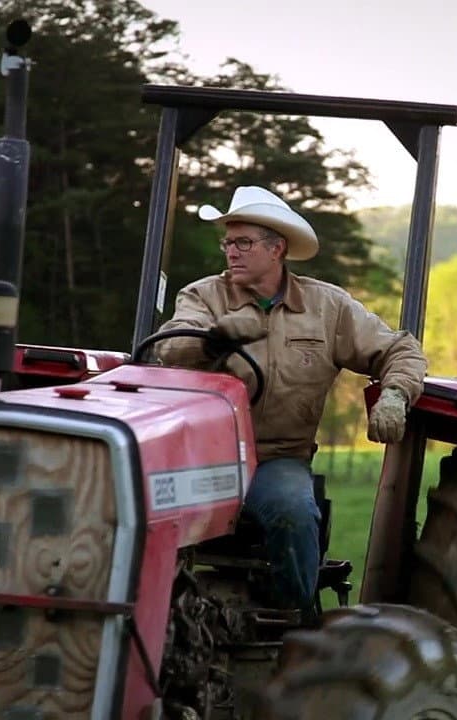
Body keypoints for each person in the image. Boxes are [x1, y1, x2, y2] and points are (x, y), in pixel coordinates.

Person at [155, 185, 427, 622]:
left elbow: (400, 350)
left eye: (244, 242)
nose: (231, 251)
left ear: (277, 248)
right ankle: (150, 615)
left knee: (293, 511)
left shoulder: (326, 307)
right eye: (228, 242)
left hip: (275, 458)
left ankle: (288, 623)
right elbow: (169, 349)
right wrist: (216, 339)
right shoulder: (203, 297)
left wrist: (395, 395)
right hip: (201, 458)